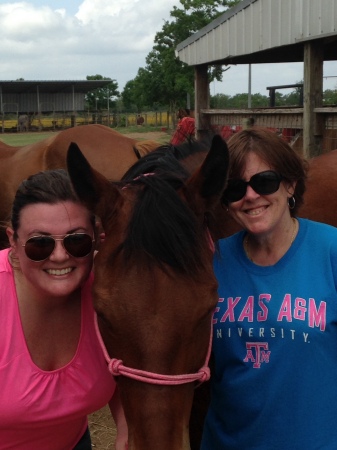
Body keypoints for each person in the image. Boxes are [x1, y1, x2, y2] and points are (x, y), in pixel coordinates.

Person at [201, 127, 337, 449]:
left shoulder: (330, 252)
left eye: (264, 182)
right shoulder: (213, 264)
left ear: (291, 184)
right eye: (235, 189)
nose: (250, 196)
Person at [1, 169, 127, 449]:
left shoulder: (107, 289)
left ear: (97, 239)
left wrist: (126, 428)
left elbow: (122, 362)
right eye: (40, 244)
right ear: (13, 241)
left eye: (77, 241)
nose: (59, 256)